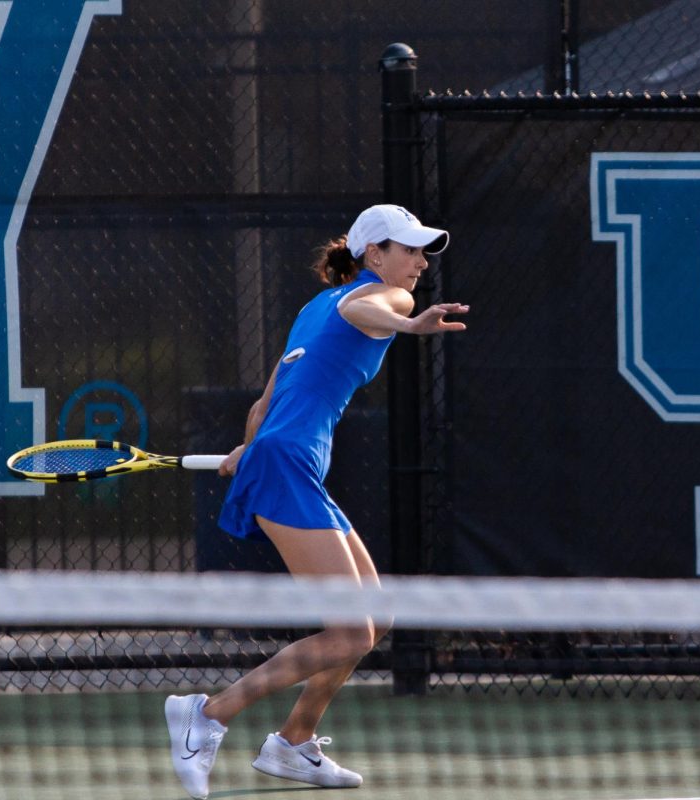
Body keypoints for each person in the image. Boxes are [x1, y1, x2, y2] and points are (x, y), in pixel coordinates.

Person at [164, 204, 468, 800]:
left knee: (373, 618)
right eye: (408, 249)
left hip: (282, 457)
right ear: (373, 256)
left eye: (422, 249)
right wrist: (410, 327)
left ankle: (293, 743)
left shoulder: (311, 310)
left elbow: (263, 406)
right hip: (288, 464)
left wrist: (245, 449)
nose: (420, 261)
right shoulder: (387, 298)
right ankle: (207, 714)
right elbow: (365, 309)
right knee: (350, 632)